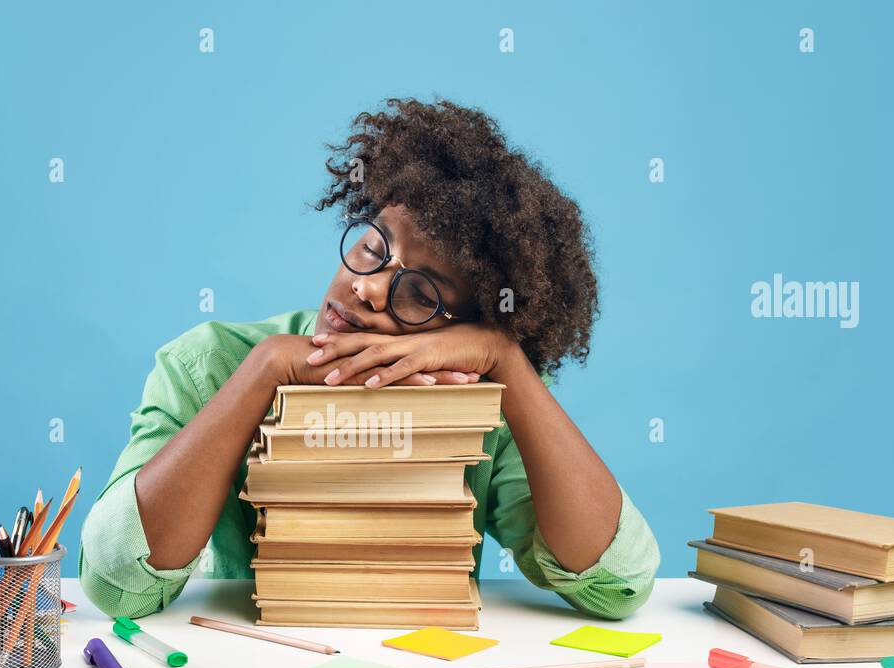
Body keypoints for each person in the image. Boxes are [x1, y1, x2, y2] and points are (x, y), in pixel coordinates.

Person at [80, 98, 660, 621]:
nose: (369, 289)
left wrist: (507, 361)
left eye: (419, 292)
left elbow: (618, 584)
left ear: (467, 326)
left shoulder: (490, 395)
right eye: (374, 247)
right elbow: (115, 584)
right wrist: (263, 371)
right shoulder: (207, 364)